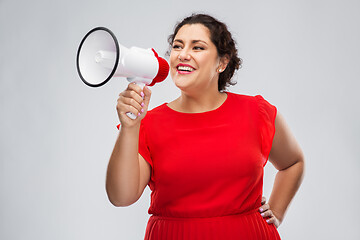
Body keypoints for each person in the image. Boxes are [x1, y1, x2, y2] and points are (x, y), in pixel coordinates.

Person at [106, 13, 305, 240]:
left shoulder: (257, 112)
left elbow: (293, 163)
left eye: (197, 47)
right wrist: (130, 127)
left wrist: (277, 211)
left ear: (222, 62)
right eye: (178, 46)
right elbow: (121, 197)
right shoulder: (147, 124)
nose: (183, 55)